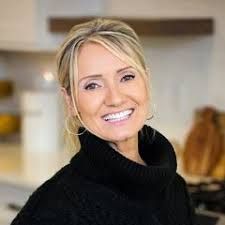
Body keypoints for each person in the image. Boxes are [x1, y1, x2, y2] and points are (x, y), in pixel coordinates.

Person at [11, 18, 196, 225]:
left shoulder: (175, 188)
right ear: (70, 101)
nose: (115, 98)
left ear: (146, 81)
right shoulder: (52, 210)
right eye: (92, 85)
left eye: (126, 77)